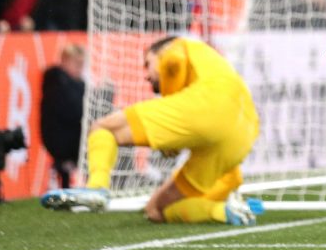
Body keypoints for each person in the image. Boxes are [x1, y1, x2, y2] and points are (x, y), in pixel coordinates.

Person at [41, 36, 262, 226]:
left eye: (148, 64)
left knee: (102, 127)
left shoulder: (176, 46)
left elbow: (175, 61)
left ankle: (97, 187)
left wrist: (172, 138)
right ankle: (223, 211)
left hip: (210, 105)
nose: (146, 76)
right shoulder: (210, 63)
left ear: (160, 52)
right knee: (157, 210)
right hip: (244, 133)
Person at [40, 44, 86, 189]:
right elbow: (74, 111)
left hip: (70, 133)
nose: (80, 68)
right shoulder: (57, 82)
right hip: (61, 137)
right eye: (77, 63)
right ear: (65, 61)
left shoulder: (77, 84)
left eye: (82, 64)